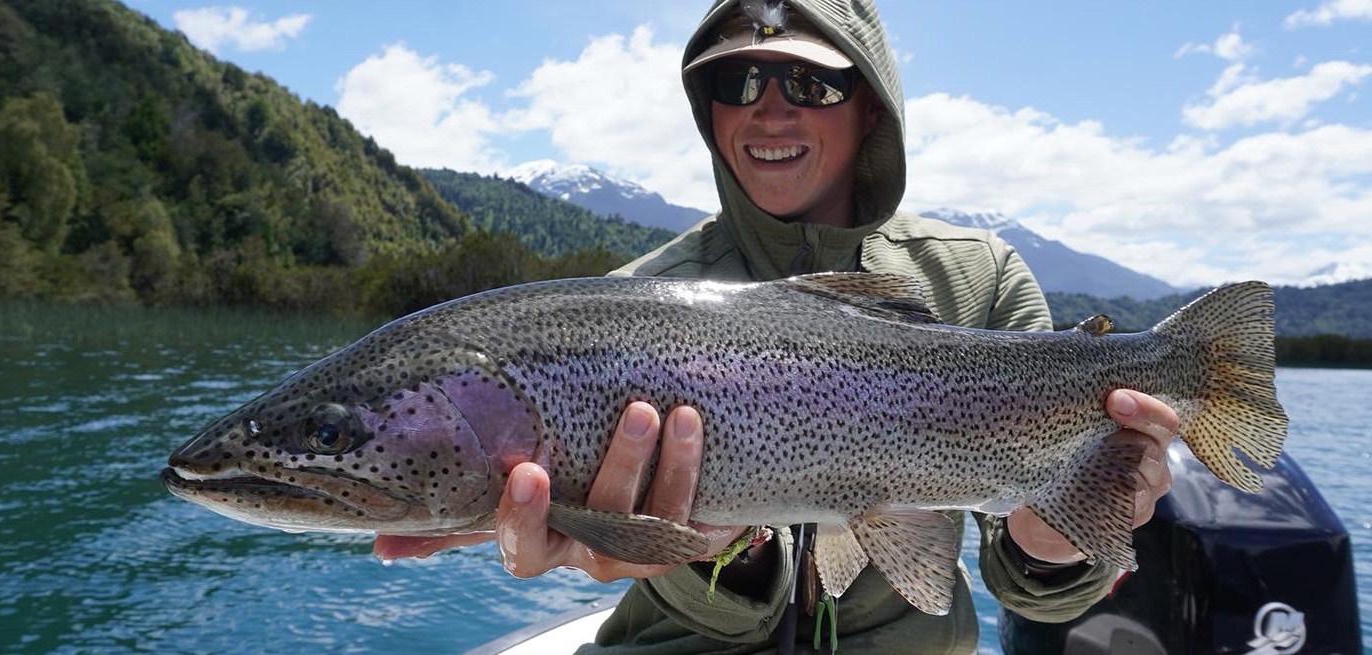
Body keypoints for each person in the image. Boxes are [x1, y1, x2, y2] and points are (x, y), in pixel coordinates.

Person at [374, 1, 1180, 652]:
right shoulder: (628, 307)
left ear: (871, 106)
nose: (769, 111)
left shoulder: (977, 281)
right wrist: (711, 546)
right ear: (707, 110)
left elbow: (1027, 587)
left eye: (810, 83)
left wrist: (1051, 538)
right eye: (739, 81)